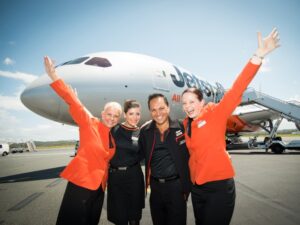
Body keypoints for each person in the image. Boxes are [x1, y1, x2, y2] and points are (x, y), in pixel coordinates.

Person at [181, 28, 280, 225]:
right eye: (184, 103)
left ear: (201, 102)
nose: (188, 107)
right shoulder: (186, 124)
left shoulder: (216, 113)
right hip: (197, 187)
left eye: (192, 102)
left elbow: (237, 89)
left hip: (218, 187)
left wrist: (257, 56)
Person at [43, 56, 122, 225]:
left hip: (99, 188)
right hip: (81, 184)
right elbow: (73, 102)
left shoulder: (112, 137)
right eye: (109, 114)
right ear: (102, 114)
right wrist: (54, 76)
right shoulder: (90, 123)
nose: (112, 118)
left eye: (116, 116)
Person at [139, 93, 191, 225]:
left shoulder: (181, 127)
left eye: (161, 108)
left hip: (176, 188)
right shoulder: (145, 132)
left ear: (168, 108)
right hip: (155, 189)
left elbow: (196, 149)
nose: (158, 113)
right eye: (154, 110)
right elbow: (136, 154)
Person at [107, 100, 145, 225]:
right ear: (124, 114)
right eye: (131, 113)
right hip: (115, 177)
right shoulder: (114, 129)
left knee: (134, 217)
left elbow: (142, 154)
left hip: (134, 176)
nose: (135, 117)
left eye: (137, 114)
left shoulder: (141, 132)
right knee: (119, 217)